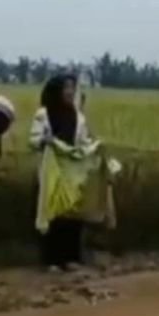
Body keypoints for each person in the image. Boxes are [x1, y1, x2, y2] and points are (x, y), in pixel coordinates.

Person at [30, 73, 93, 271]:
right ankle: (51, 261)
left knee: (72, 216)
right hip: (51, 172)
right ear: (57, 91)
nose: (70, 92)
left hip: (72, 173)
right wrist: (44, 140)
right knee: (53, 216)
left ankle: (71, 258)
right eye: (66, 88)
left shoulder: (79, 118)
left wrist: (92, 149)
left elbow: (83, 142)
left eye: (72, 88)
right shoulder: (43, 114)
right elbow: (32, 140)